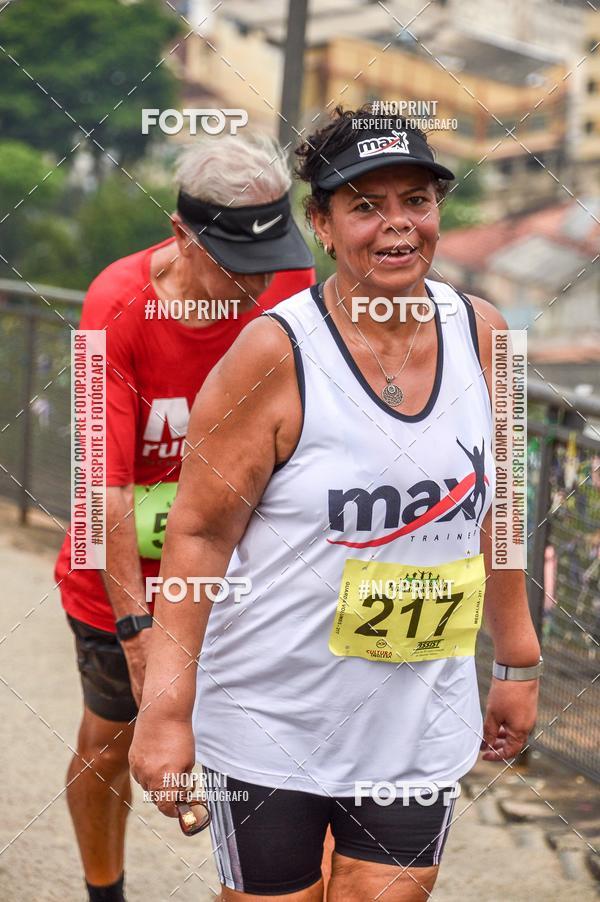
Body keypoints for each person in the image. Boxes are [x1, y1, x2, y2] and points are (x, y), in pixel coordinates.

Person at [129, 106, 542, 901]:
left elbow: (505, 504)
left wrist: (517, 661)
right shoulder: (272, 353)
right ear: (319, 223)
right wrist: (166, 708)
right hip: (274, 717)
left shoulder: (487, 336)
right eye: (365, 207)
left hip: (416, 718)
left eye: (416, 201)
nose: (397, 224)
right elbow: (198, 534)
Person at [55, 132, 315, 902]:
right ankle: (105, 892)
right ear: (180, 233)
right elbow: (102, 487)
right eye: (236, 263)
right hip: (124, 573)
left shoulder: (288, 276)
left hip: (239, 570)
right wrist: (139, 634)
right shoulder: (113, 305)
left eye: (267, 260)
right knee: (111, 742)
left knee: (280, 749)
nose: (256, 283)